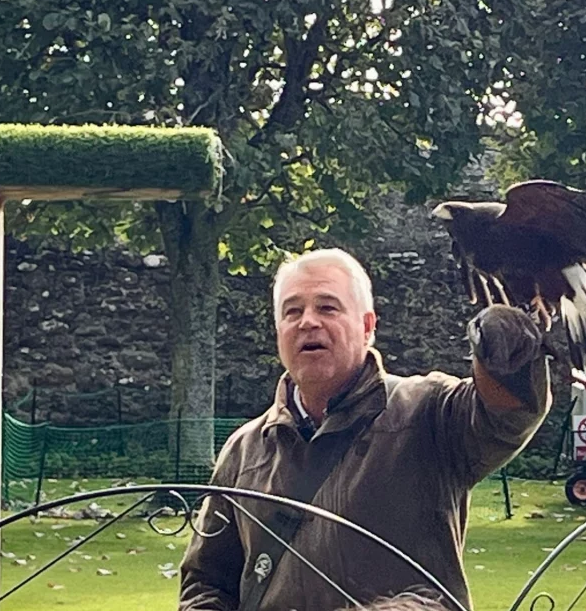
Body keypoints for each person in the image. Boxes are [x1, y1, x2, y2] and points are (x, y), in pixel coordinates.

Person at [179, 248, 551, 611]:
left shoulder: (429, 411)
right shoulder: (244, 451)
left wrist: (506, 348)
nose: (307, 321)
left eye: (327, 307)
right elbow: (206, 580)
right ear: (279, 331)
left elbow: (506, 415)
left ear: (367, 327)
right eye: (292, 311)